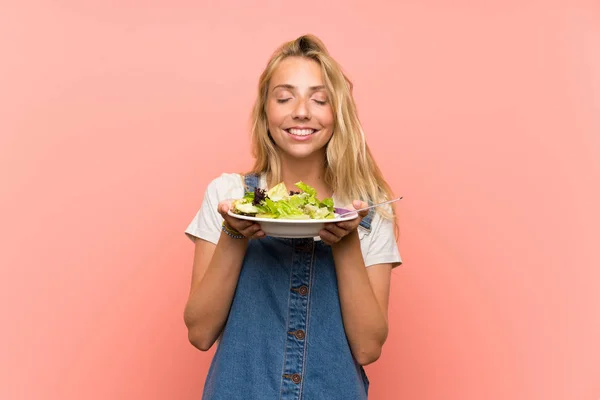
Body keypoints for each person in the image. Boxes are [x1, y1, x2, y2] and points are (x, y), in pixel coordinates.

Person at [184, 34, 402, 400]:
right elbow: (200, 333)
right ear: (265, 112)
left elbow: (367, 348)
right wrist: (235, 232)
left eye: (320, 100)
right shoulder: (228, 194)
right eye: (284, 97)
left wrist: (345, 237)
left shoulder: (370, 207)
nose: (301, 111)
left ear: (338, 114)